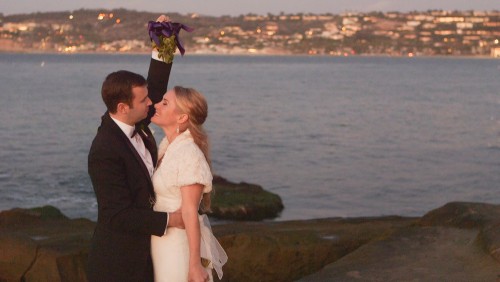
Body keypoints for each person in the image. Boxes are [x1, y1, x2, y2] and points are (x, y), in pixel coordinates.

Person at [87, 15, 184, 282]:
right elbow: (117, 214)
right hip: (119, 264)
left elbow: (155, 87)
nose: (152, 103)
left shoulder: (134, 119)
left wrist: (164, 41)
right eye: (144, 101)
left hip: (149, 253)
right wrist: (171, 220)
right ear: (122, 108)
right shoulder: (104, 150)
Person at [150, 86, 228, 282]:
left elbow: (189, 212)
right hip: (161, 242)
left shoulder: (188, 154)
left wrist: (194, 264)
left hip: (177, 245)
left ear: (182, 118)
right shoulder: (167, 149)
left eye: (165, 103)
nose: (156, 104)